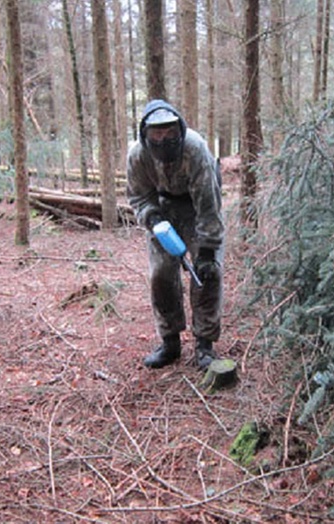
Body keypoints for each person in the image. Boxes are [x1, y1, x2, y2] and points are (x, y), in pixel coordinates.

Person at [127, 99, 225, 370]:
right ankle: (169, 341)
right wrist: (152, 217)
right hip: (162, 210)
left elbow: (209, 203)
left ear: (180, 130)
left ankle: (205, 344)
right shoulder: (137, 156)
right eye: (156, 134)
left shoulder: (195, 150)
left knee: (208, 273)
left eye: (170, 132)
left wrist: (206, 250)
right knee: (160, 274)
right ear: (145, 135)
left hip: (197, 209)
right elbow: (138, 196)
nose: (163, 139)